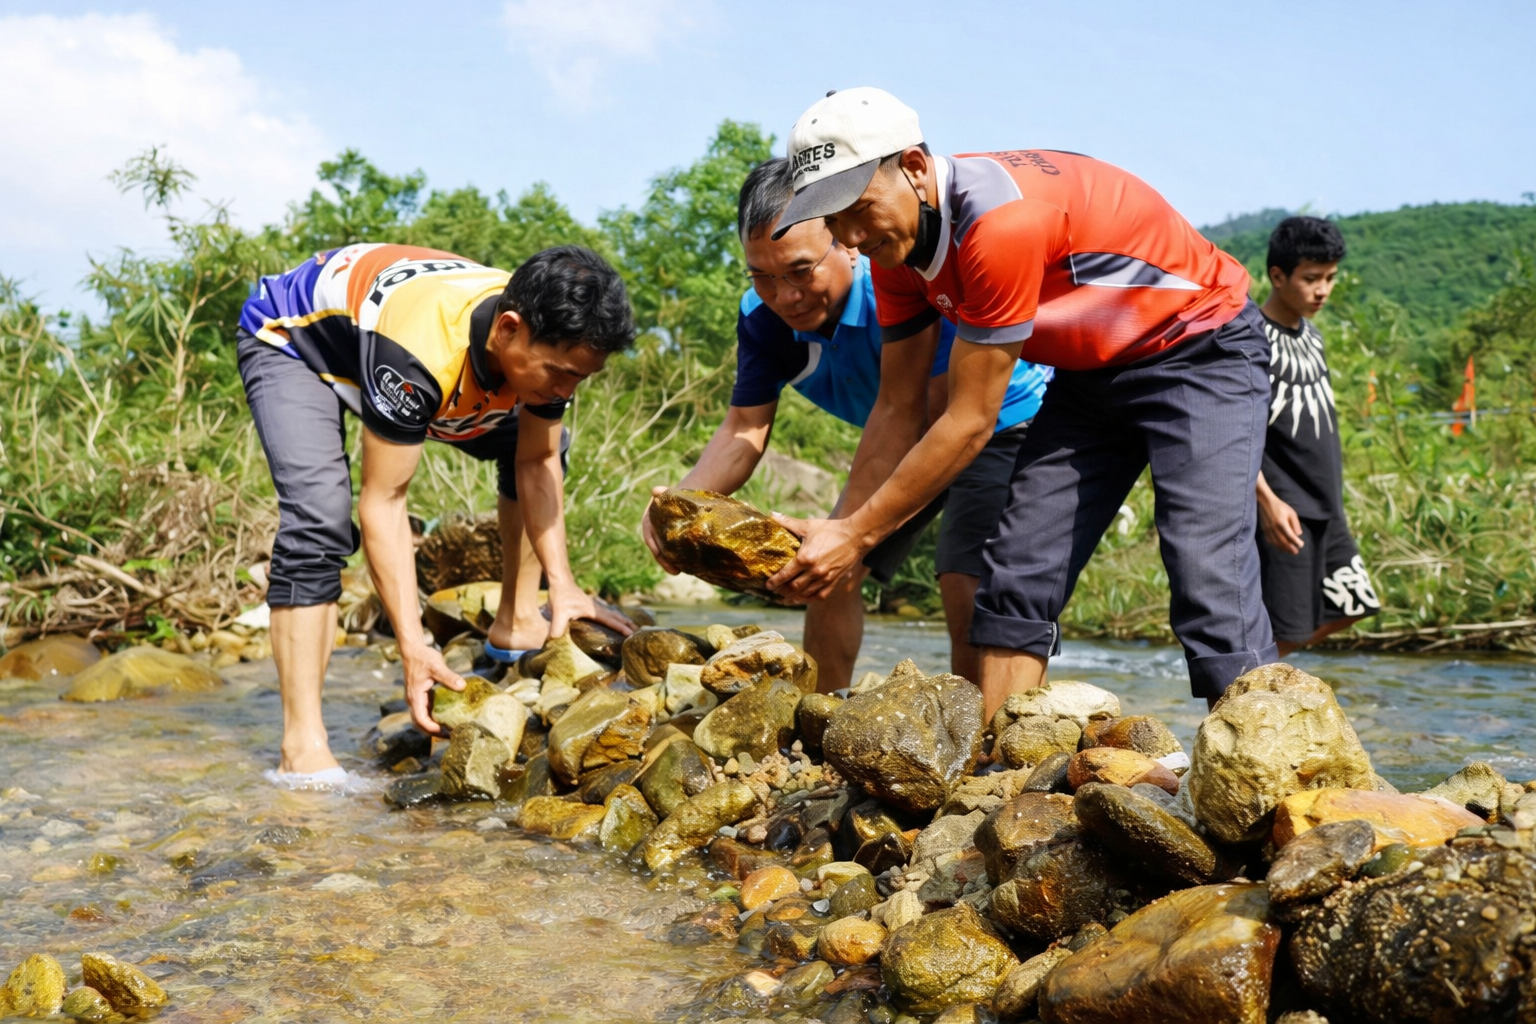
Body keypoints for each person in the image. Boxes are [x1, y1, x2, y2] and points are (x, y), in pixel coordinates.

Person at [764, 87, 1278, 717]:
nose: (850, 234)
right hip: (1091, 371)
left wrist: (855, 536)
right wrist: (843, 530)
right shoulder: (897, 254)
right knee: (1016, 571)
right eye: (832, 218)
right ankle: (1001, 775)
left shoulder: (998, 224)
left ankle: (1267, 773)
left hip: (1200, 349)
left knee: (1207, 576)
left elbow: (970, 420)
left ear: (916, 168)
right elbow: (898, 409)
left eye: (857, 207)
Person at [642, 158, 1051, 690]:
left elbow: (932, 417)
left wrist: (844, 530)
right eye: (763, 275)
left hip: (998, 423)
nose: (785, 294)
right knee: (828, 574)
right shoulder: (764, 319)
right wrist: (681, 507)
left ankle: (985, 738)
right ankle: (819, 711)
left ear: (846, 239)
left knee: (963, 576)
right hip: (901, 435)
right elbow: (743, 429)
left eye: (800, 270)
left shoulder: (904, 291)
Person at [236, 243, 636, 785]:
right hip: (298, 344)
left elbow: (538, 459)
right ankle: (300, 744)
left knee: (541, 439)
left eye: (579, 379)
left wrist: (563, 586)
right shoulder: (419, 352)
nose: (566, 391)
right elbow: (384, 502)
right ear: (509, 329)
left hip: (404, 349)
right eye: (559, 374)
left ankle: (517, 619)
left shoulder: (543, 342)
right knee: (318, 519)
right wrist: (414, 646)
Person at [1255, 216, 1381, 653]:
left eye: (1329, 278)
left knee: (1352, 605)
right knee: (1285, 627)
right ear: (1277, 275)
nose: (1323, 290)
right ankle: (1235, 707)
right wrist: (1266, 502)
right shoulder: (1249, 337)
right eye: (1311, 279)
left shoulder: (1313, 336)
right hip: (1286, 507)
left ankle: (1251, 686)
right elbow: (1232, 430)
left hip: (1327, 504)